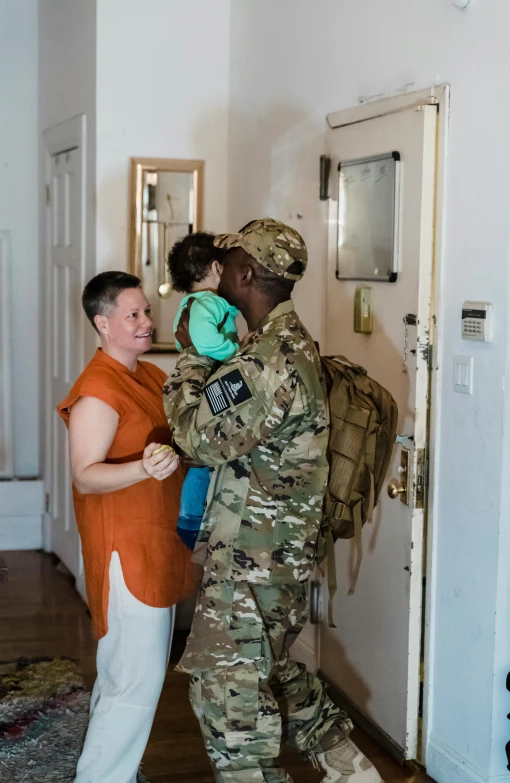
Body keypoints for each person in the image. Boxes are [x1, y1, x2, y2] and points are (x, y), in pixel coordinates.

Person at [163, 219, 384, 783]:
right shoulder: (281, 346)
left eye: (225, 261)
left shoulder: (267, 363)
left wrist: (188, 354)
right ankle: (351, 770)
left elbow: (194, 435)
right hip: (272, 558)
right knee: (273, 672)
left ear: (243, 274)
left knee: (231, 711)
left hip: (250, 563)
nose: (216, 272)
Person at [57, 271, 194, 783]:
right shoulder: (97, 390)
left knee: (126, 676)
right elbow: (85, 475)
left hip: (155, 541)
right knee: (133, 683)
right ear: (103, 322)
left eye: (145, 312)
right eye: (132, 314)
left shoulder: (151, 377)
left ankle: (112, 773)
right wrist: (142, 468)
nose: (145, 322)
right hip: (126, 550)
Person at [168, 232, 239, 549]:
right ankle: (191, 521)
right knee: (201, 459)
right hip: (206, 384)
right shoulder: (208, 302)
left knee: (202, 459)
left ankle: (192, 521)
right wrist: (236, 353)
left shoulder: (192, 303)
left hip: (197, 384)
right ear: (216, 267)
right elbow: (206, 342)